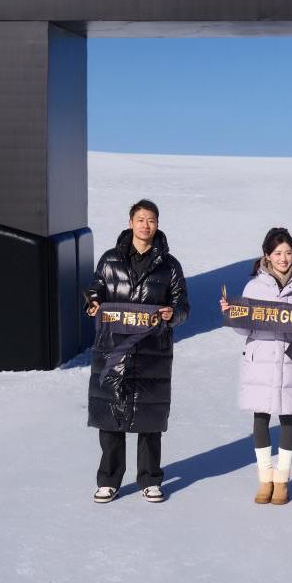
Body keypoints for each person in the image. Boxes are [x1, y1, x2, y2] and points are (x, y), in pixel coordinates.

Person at [85, 199, 189, 504]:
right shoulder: (110, 260)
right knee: (110, 415)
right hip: (113, 350)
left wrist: (174, 314)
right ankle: (108, 480)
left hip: (152, 352)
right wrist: (92, 303)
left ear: (157, 224)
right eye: (141, 219)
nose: (146, 225)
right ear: (130, 223)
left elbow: (183, 305)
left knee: (149, 416)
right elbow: (95, 289)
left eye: (151, 220)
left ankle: (150, 479)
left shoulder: (170, 265)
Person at [220, 227, 292, 505]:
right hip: (261, 360)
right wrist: (232, 315)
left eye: (288, 253)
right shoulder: (254, 287)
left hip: (290, 359)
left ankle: (282, 480)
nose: (283, 258)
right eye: (278, 253)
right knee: (261, 417)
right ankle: (264, 477)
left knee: (288, 417)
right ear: (267, 255)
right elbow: (245, 329)